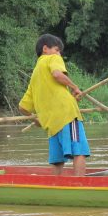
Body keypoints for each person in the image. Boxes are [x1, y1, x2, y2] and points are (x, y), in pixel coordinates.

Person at [19, 34, 90, 176]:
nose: (59, 54)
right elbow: (57, 74)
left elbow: (23, 107)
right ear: (45, 49)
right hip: (67, 115)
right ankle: (79, 185)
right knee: (79, 151)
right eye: (57, 50)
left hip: (50, 124)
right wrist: (75, 87)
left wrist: (35, 119)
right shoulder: (53, 58)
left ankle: (56, 185)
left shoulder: (35, 75)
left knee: (58, 160)